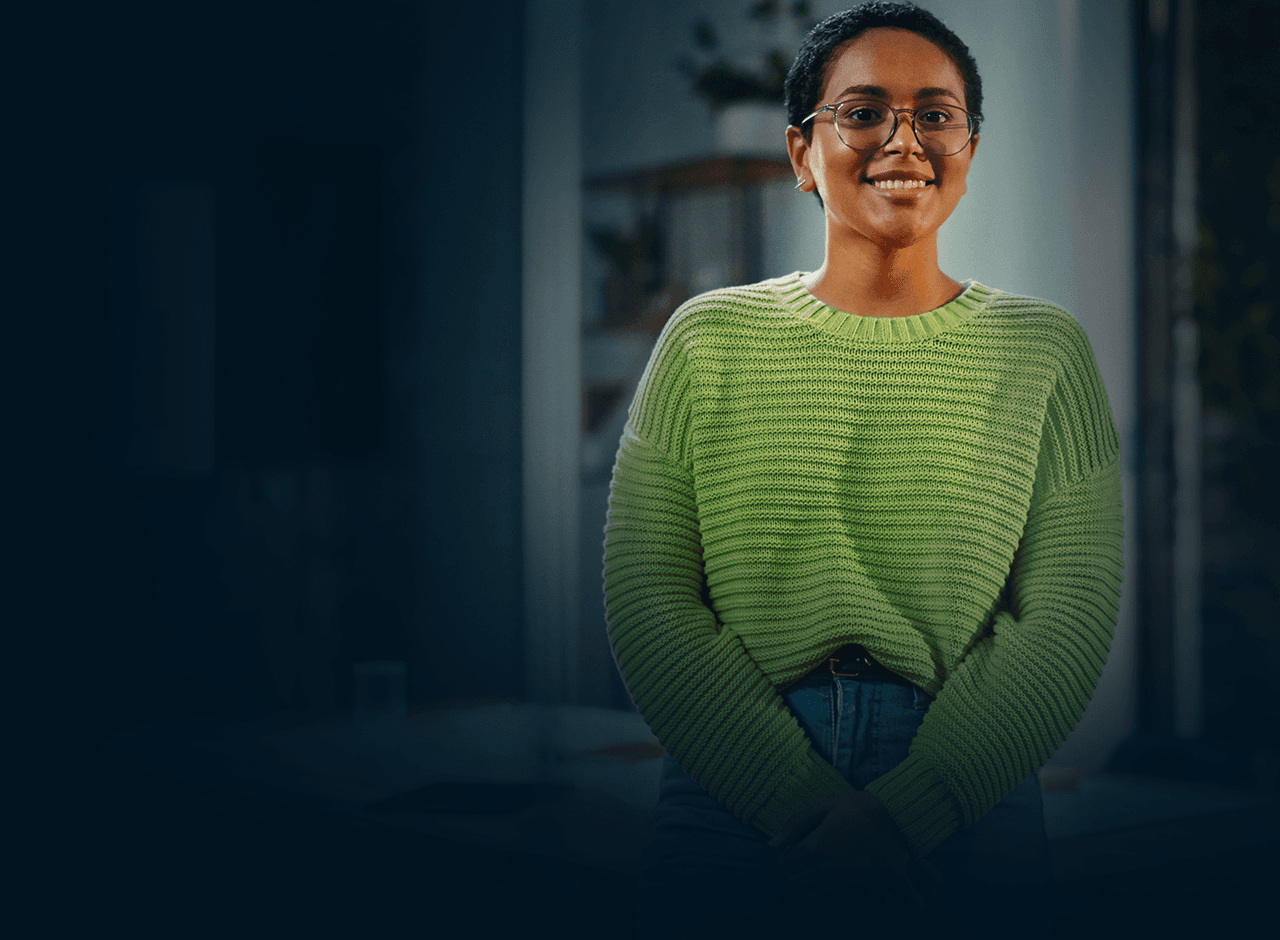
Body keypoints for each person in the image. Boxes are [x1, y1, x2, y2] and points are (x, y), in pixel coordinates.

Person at [602, 3, 1124, 938]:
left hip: (969, 782)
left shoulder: (1044, 352)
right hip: (735, 785)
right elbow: (649, 599)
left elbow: (1068, 613)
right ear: (802, 152)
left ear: (970, 146)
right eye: (864, 110)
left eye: (937, 113)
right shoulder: (706, 340)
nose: (905, 139)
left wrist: (907, 811)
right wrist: (796, 800)